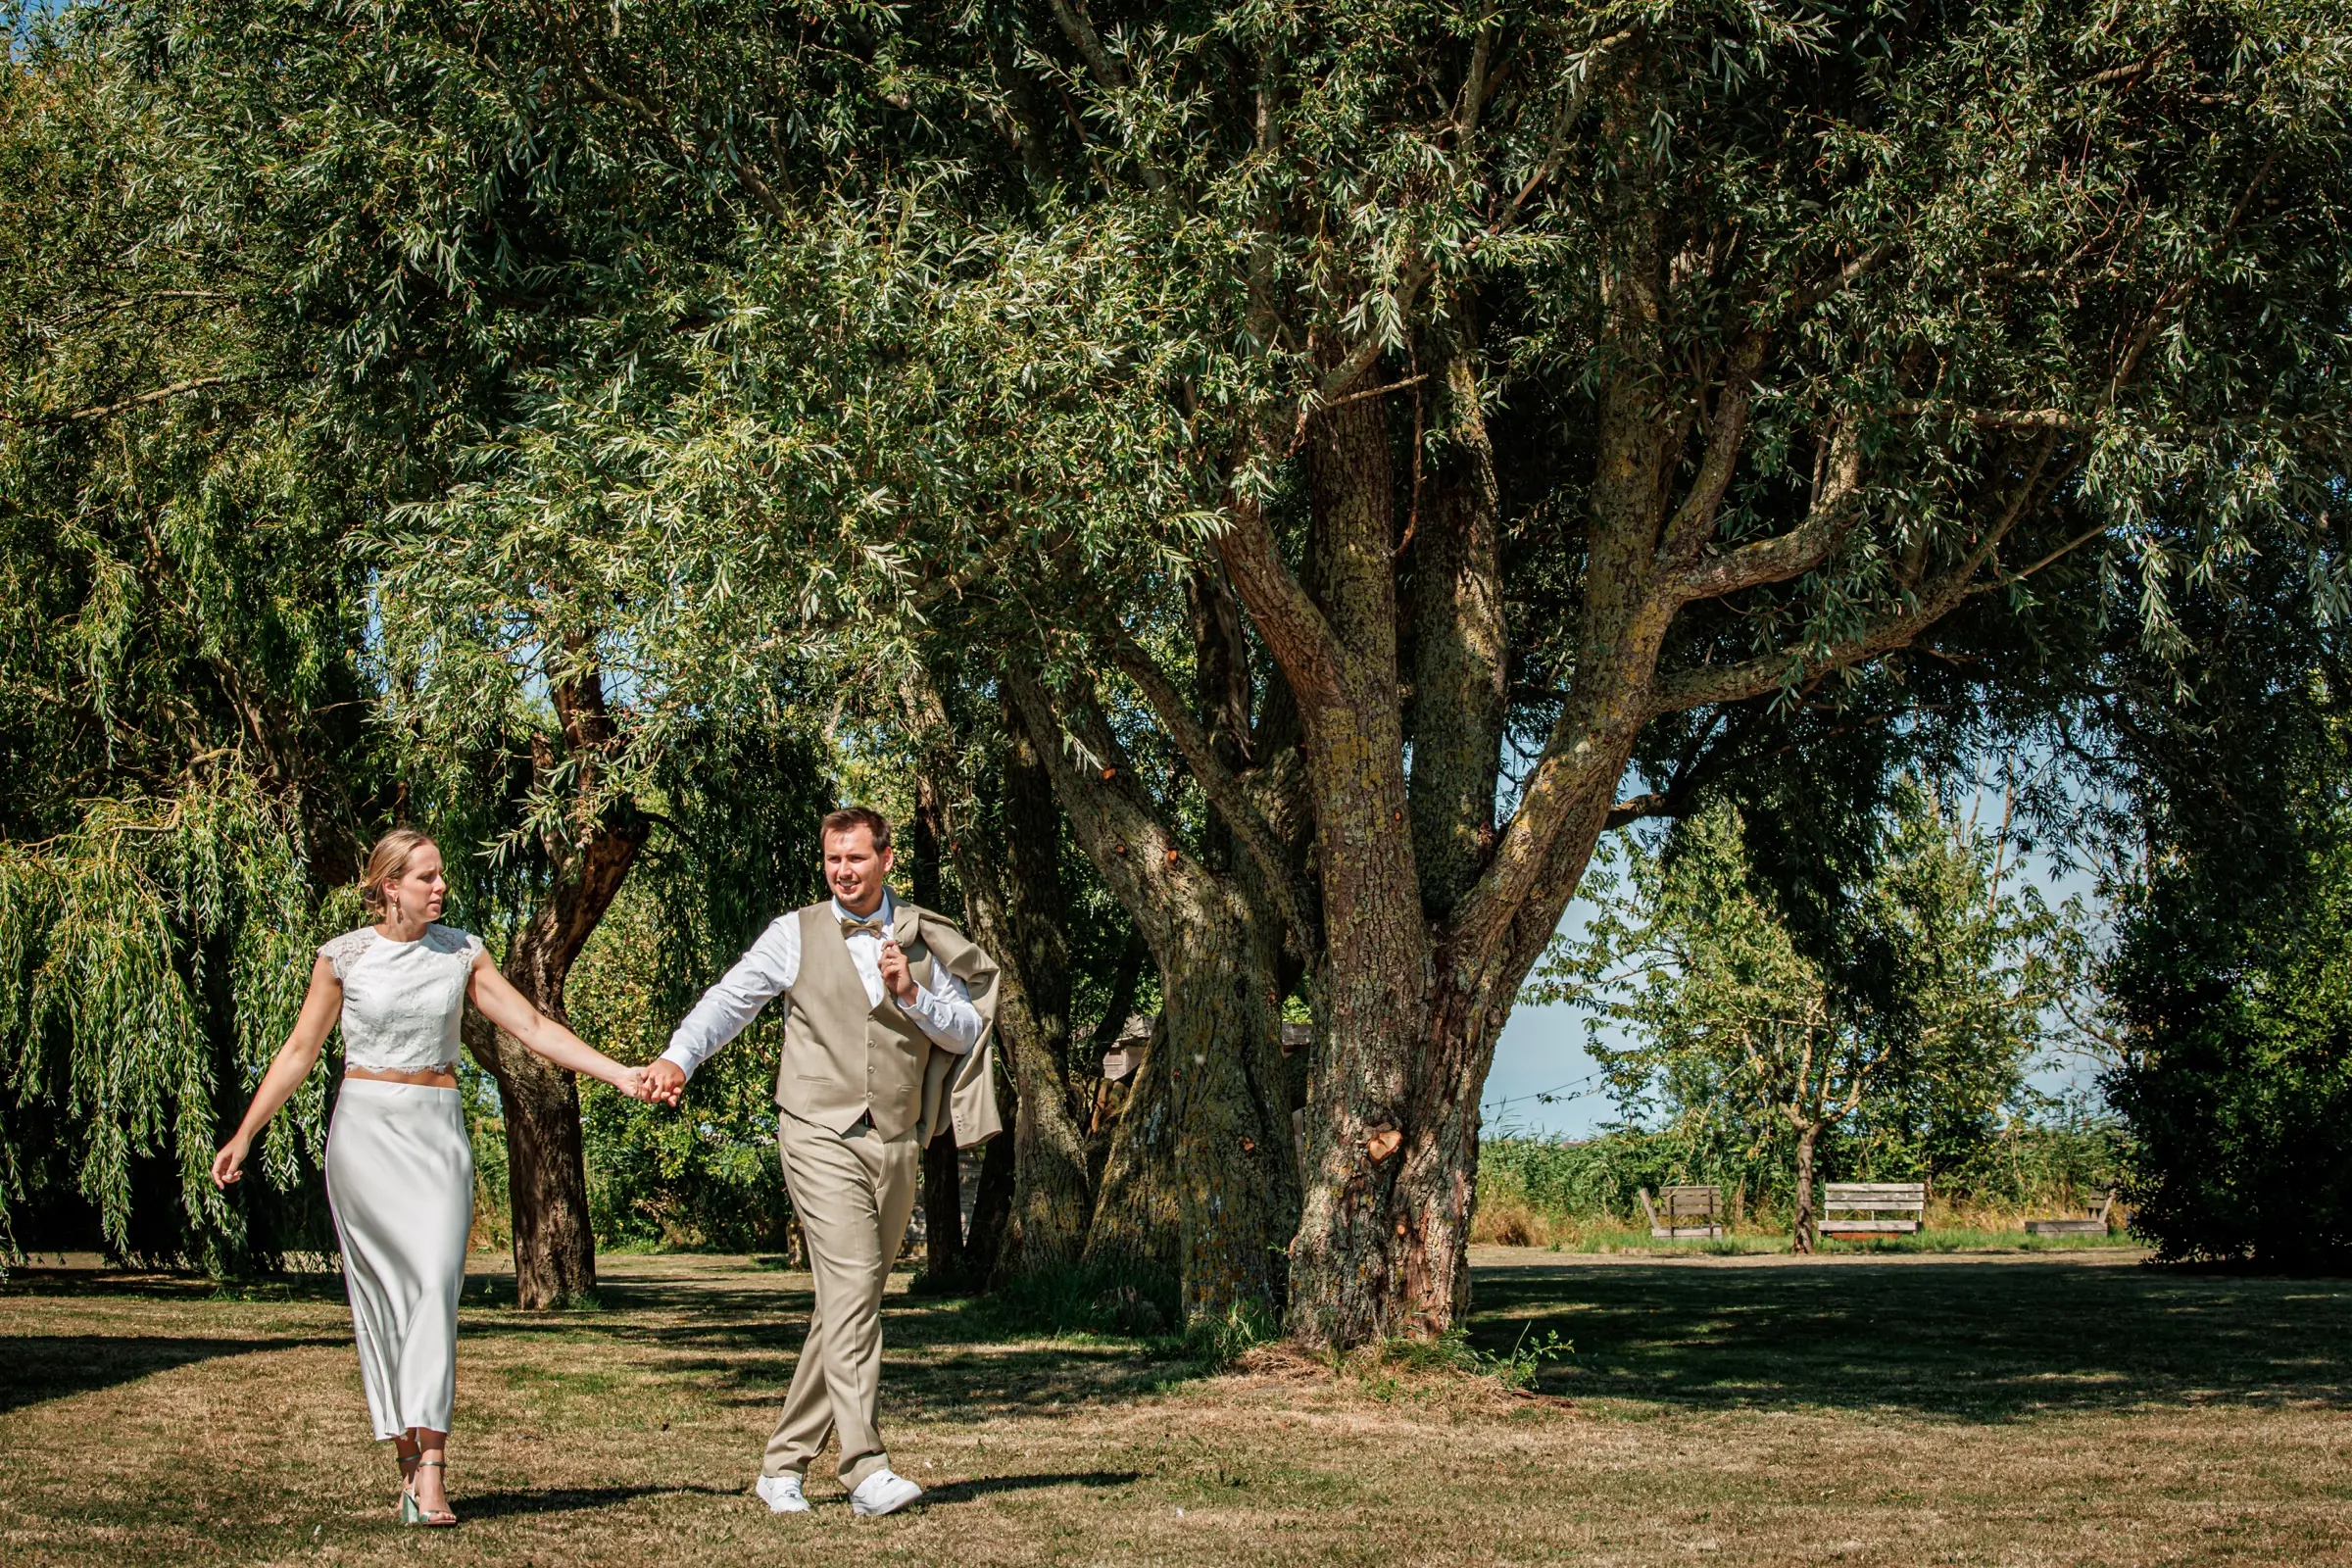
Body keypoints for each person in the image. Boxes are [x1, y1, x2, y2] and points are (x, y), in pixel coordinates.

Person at [212, 828, 654, 1527]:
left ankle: (436, 1469)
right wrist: (245, 1132)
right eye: (426, 877)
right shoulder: (343, 958)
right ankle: (407, 1465)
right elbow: (300, 1051)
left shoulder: (463, 952)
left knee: (433, 1289)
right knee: (384, 1302)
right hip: (364, 1133)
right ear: (390, 887)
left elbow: (533, 1027)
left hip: (436, 1129)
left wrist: (621, 1075)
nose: (440, 887)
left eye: (441, 875)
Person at [644, 805, 1001, 1518]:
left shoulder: (927, 937)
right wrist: (679, 1056)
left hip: (897, 1138)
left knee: (851, 1299)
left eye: (857, 858)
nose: (843, 871)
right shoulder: (794, 933)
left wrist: (912, 992)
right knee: (856, 1280)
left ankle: (781, 1465)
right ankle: (865, 1467)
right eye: (833, 859)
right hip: (815, 1128)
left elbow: (966, 1032)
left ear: (887, 859)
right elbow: (731, 1000)